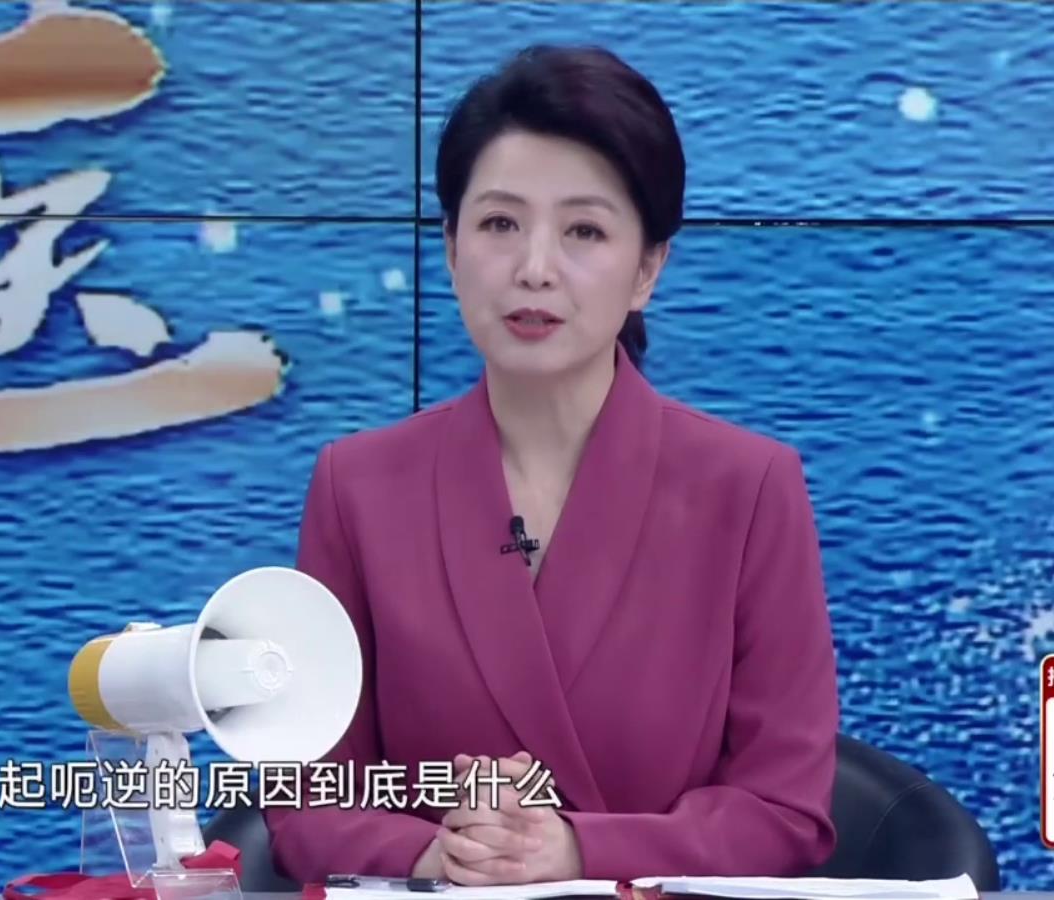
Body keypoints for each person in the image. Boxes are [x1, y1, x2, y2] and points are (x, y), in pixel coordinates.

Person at [261, 44, 839, 885]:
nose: (534, 269)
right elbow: (308, 798)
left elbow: (784, 811)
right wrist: (439, 853)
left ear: (647, 269)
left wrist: (575, 852)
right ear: (450, 247)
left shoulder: (748, 489)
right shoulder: (357, 488)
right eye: (499, 224)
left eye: (584, 231)